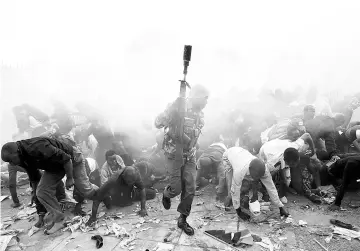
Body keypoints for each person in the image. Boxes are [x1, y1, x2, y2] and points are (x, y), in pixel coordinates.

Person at [1, 137, 99, 234]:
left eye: (10, 160)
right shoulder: (22, 159)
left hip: (72, 159)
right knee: (41, 192)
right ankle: (59, 220)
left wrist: (70, 178)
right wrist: (40, 213)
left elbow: (66, 159)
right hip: (54, 167)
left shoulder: (36, 147)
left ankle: (102, 193)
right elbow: (35, 182)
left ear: (16, 152)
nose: (11, 164)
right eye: (8, 162)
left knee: (85, 190)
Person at [154, 84, 209, 236]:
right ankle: (166, 194)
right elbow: (157, 123)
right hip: (174, 154)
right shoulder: (177, 107)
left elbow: (194, 135)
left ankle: (182, 219)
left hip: (190, 155)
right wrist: (172, 111)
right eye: (205, 98)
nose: (206, 102)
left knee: (190, 188)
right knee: (176, 188)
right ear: (196, 96)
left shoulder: (200, 114)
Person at [222, 147, 289, 221]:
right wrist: (238, 211)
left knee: (247, 184)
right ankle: (229, 197)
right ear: (250, 169)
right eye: (255, 176)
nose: (257, 178)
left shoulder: (264, 170)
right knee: (232, 184)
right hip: (228, 156)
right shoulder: (239, 171)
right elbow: (235, 189)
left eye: (259, 177)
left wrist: (280, 206)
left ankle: (239, 199)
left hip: (241, 154)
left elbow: (271, 188)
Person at [87, 166, 155, 226]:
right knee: (117, 201)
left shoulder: (136, 174)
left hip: (131, 192)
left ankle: (113, 197)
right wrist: (93, 216)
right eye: (128, 181)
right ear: (123, 176)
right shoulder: (114, 179)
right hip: (117, 195)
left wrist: (143, 208)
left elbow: (142, 189)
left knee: (152, 193)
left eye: (132, 181)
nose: (130, 183)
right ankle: (107, 197)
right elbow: (97, 196)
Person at [258, 132, 315, 203]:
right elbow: (264, 176)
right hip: (266, 150)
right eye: (295, 163)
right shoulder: (273, 163)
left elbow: (307, 135)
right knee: (272, 176)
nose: (297, 164)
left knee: (287, 178)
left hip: (278, 145)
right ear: (289, 162)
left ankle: (285, 188)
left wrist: (313, 150)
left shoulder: (295, 146)